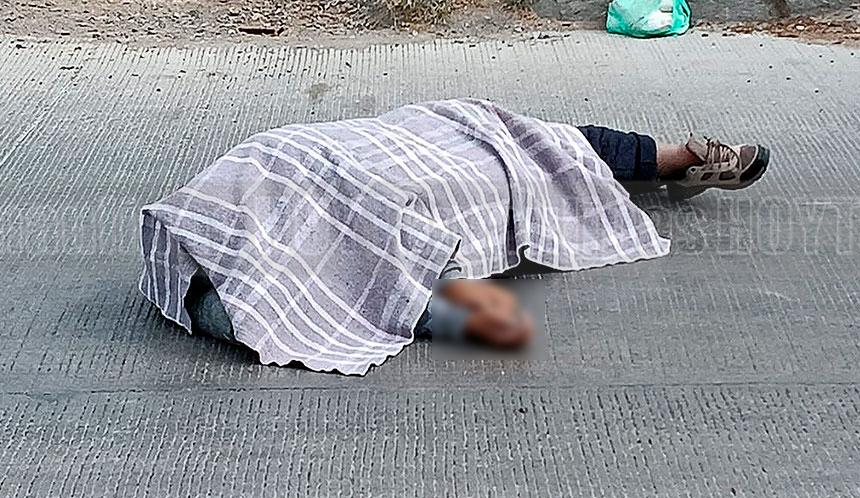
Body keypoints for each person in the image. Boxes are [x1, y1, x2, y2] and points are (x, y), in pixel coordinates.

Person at [183, 124, 769, 352]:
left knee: (531, 136)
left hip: (374, 142)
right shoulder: (262, 290)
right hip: (415, 183)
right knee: (531, 162)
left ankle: (674, 160)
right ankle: (675, 165)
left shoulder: (209, 211)